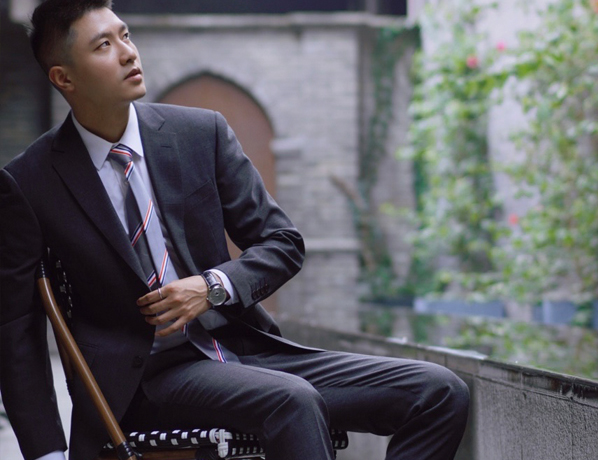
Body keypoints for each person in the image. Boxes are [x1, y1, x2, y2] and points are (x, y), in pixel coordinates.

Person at [0, 1, 469, 460]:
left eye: (125, 35)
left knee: (437, 391)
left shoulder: (199, 133)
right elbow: (17, 329)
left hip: (247, 351)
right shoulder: (30, 181)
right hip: (145, 385)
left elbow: (283, 243)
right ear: (64, 77)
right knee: (291, 401)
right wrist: (46, 451)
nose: (127, 52)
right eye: (103, 45)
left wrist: (211, 287)